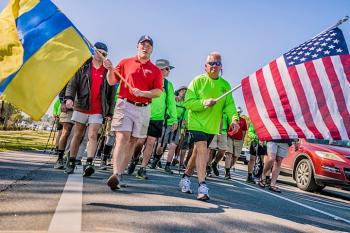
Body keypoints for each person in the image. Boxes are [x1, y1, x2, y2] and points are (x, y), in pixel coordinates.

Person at [179, 52, 239, 201]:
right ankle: (202, 186)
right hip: (196, 122)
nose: (214, 66)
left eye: (217, 63)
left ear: (221, 66)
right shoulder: (198, 81)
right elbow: (188, 103)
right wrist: (204, 103)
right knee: (202, 149)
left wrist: (234, 120)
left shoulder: (225, 85)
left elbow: (230, 106)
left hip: (212, 127)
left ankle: (185, 177)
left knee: (197, 153)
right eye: (210, 63)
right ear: (205, 66)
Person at [105, 35, 163, 190]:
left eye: (149, 45)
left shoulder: (156, 70)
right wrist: (110, 69)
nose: (145, 47)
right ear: (137, 46)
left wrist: (143, 93)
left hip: (143, 108)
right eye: (143, 44)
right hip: (125, 104)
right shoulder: (125, 62)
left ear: (152, 49)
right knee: (122, 137)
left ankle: (120, 174)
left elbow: (158, 92)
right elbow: (112, 81)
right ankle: (115, 174)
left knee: (133, 142)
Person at [64, 42, 116, 176]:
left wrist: (110, 112)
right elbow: (72, 84)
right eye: (99, 52)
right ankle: (71, 160)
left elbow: (111, 93)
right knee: (77, 134)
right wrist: (69, 98)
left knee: (93, 135)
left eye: (104, 54)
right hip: (81, 106)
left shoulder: (107, 71)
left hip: (98, 110)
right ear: (93, 52)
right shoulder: (83, 66)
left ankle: (89, 162)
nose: (101, 55)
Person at [127, 59, 177, 179]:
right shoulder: (149, 78)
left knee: (150, 143)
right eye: (167, 69)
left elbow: (171, 103)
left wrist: (173, 119)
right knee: (139, 141)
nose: (169, 71)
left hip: (158, 119)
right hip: (144, 114)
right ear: (161, 69)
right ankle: (134, 159)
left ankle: (143, 168)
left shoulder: (168, 85)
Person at [53, 86, 74, 169]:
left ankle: (69, 157)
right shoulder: (70, 74)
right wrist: (63, 102)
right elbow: (62, 90)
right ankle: (60, 159)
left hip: (82, 108)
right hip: (68, 108)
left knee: (76, 135)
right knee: (65, 132)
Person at [225, 107, 247, 180]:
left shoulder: (243, 120)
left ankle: (228, 168)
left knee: (235, 156)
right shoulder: (230, 118)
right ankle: (227, 172)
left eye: (239, 112)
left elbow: (244, 131)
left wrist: (243, 140)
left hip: (239, 140)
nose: (238, 113)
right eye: (236, 112)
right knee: (229, 154)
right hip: (229, 137)